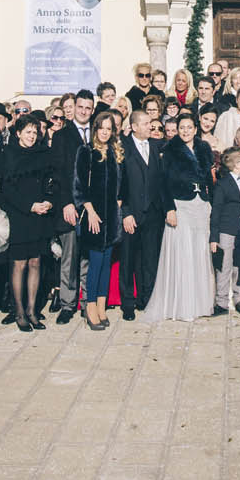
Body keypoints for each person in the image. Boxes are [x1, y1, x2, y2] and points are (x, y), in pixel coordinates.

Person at [143, 114, 215, 322]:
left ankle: (199, 303)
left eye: (189, 127)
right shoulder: (169, 150)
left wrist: (209, 201)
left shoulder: (203, 148)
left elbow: (209, 178)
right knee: (183, 253)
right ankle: (182, 306)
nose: (185, 131)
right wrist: (169, 209)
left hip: (201, 205)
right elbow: (162, 183)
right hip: (180, 204)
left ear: (195, 128)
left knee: (199, 252)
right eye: (181, 127)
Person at [0, 113, 56, 331]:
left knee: (35, 262)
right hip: (19, 215)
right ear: (17, 133)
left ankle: (31, 310)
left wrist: (48, 201)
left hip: (40, 216)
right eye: (27, 132)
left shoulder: (44, 153)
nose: (31, 136)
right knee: (19, 264)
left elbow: (52, 181)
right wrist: (29, 206)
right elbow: (7, 190)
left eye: (35, 132)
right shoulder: (8, 154)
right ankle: (18, 311)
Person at [74, 111, 127, 330]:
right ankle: (90, 307)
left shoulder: (115, 152)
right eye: (101, 128)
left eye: (109, 128)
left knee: (106, 264)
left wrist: (119, 204)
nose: (105, 132)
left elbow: (122, 184)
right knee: (95, 264)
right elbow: (78, 186)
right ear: (95, 129)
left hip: (111, 216)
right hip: (93, 216)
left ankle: (102, 307)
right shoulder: (86, 151)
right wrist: (90, 210)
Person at [49, 92, 96, 324]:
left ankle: (87, 303)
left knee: (88, 255)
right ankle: (68, 304)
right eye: (81, 107)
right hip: (71, 206)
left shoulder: (98, 134)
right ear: (73, 107)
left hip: (93, 207)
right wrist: (66, 202)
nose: (84, 111)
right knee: (70, 257)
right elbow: (58, 173)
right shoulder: (62, 136)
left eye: (89, 108)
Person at [117, 109, 168, 319]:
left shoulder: (156, 147)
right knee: (128, 259)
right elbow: (120, 184)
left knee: (150, 259)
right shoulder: (123, 148)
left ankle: (146, 298)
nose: (152, 127)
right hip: (132, 213)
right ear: (135, 127)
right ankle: (128, 302)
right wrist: (125, 212)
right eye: (147, 123)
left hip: (153, 214)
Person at [209, 146, 240, 316]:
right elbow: (216, 211)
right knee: (224, 267)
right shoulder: (223, 184)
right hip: (226, 231)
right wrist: (214, 237)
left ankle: (239, 299)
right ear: (236, 164)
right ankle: (221, 302)